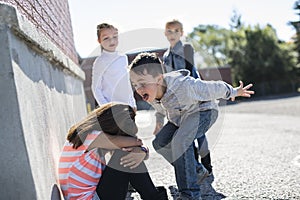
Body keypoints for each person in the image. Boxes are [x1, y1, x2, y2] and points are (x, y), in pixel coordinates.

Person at [129, 52, 254, 200]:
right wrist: (158, 122)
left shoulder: (183, 85)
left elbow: (211, 87)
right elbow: (161, 108)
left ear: (159, 79)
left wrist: (233, 91)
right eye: (135, 84)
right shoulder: (150, 92)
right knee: (159, 143)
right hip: (180, 118)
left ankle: (190, 194)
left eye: (142, 83)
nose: (138, 89)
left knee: (180, 142)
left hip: (203, 112)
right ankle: (197, 171)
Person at [58, 103, 168, 200]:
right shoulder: (95, 137)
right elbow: (136, 142)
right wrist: (141, 150)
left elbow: (136, 145)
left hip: (91, 195)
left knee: (128, 154)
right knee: (124, 155)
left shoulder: (85, 135)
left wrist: (142, 151)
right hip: (91, 197)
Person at [161, 19, 213, 174]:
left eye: (176, 31)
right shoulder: (165, 56)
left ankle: (207, 164)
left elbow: (190, 72)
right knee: (183, 132)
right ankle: (195, 166)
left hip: (193, 95)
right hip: (176, 101)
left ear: (182, 33)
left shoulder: (186, 48)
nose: (172, 34)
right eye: (169, 31)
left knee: (200, 133)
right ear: (165, 33)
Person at [91, 23, 136, 110]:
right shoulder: (100, 62)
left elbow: (127, 83)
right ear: (99, 41)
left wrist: (133, 103)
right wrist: (106, 108)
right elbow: (96, 88)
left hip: (128, 107)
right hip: (112, 109)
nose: (111, 41)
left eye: (114, 37)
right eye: (106, 38)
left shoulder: (123, 58)